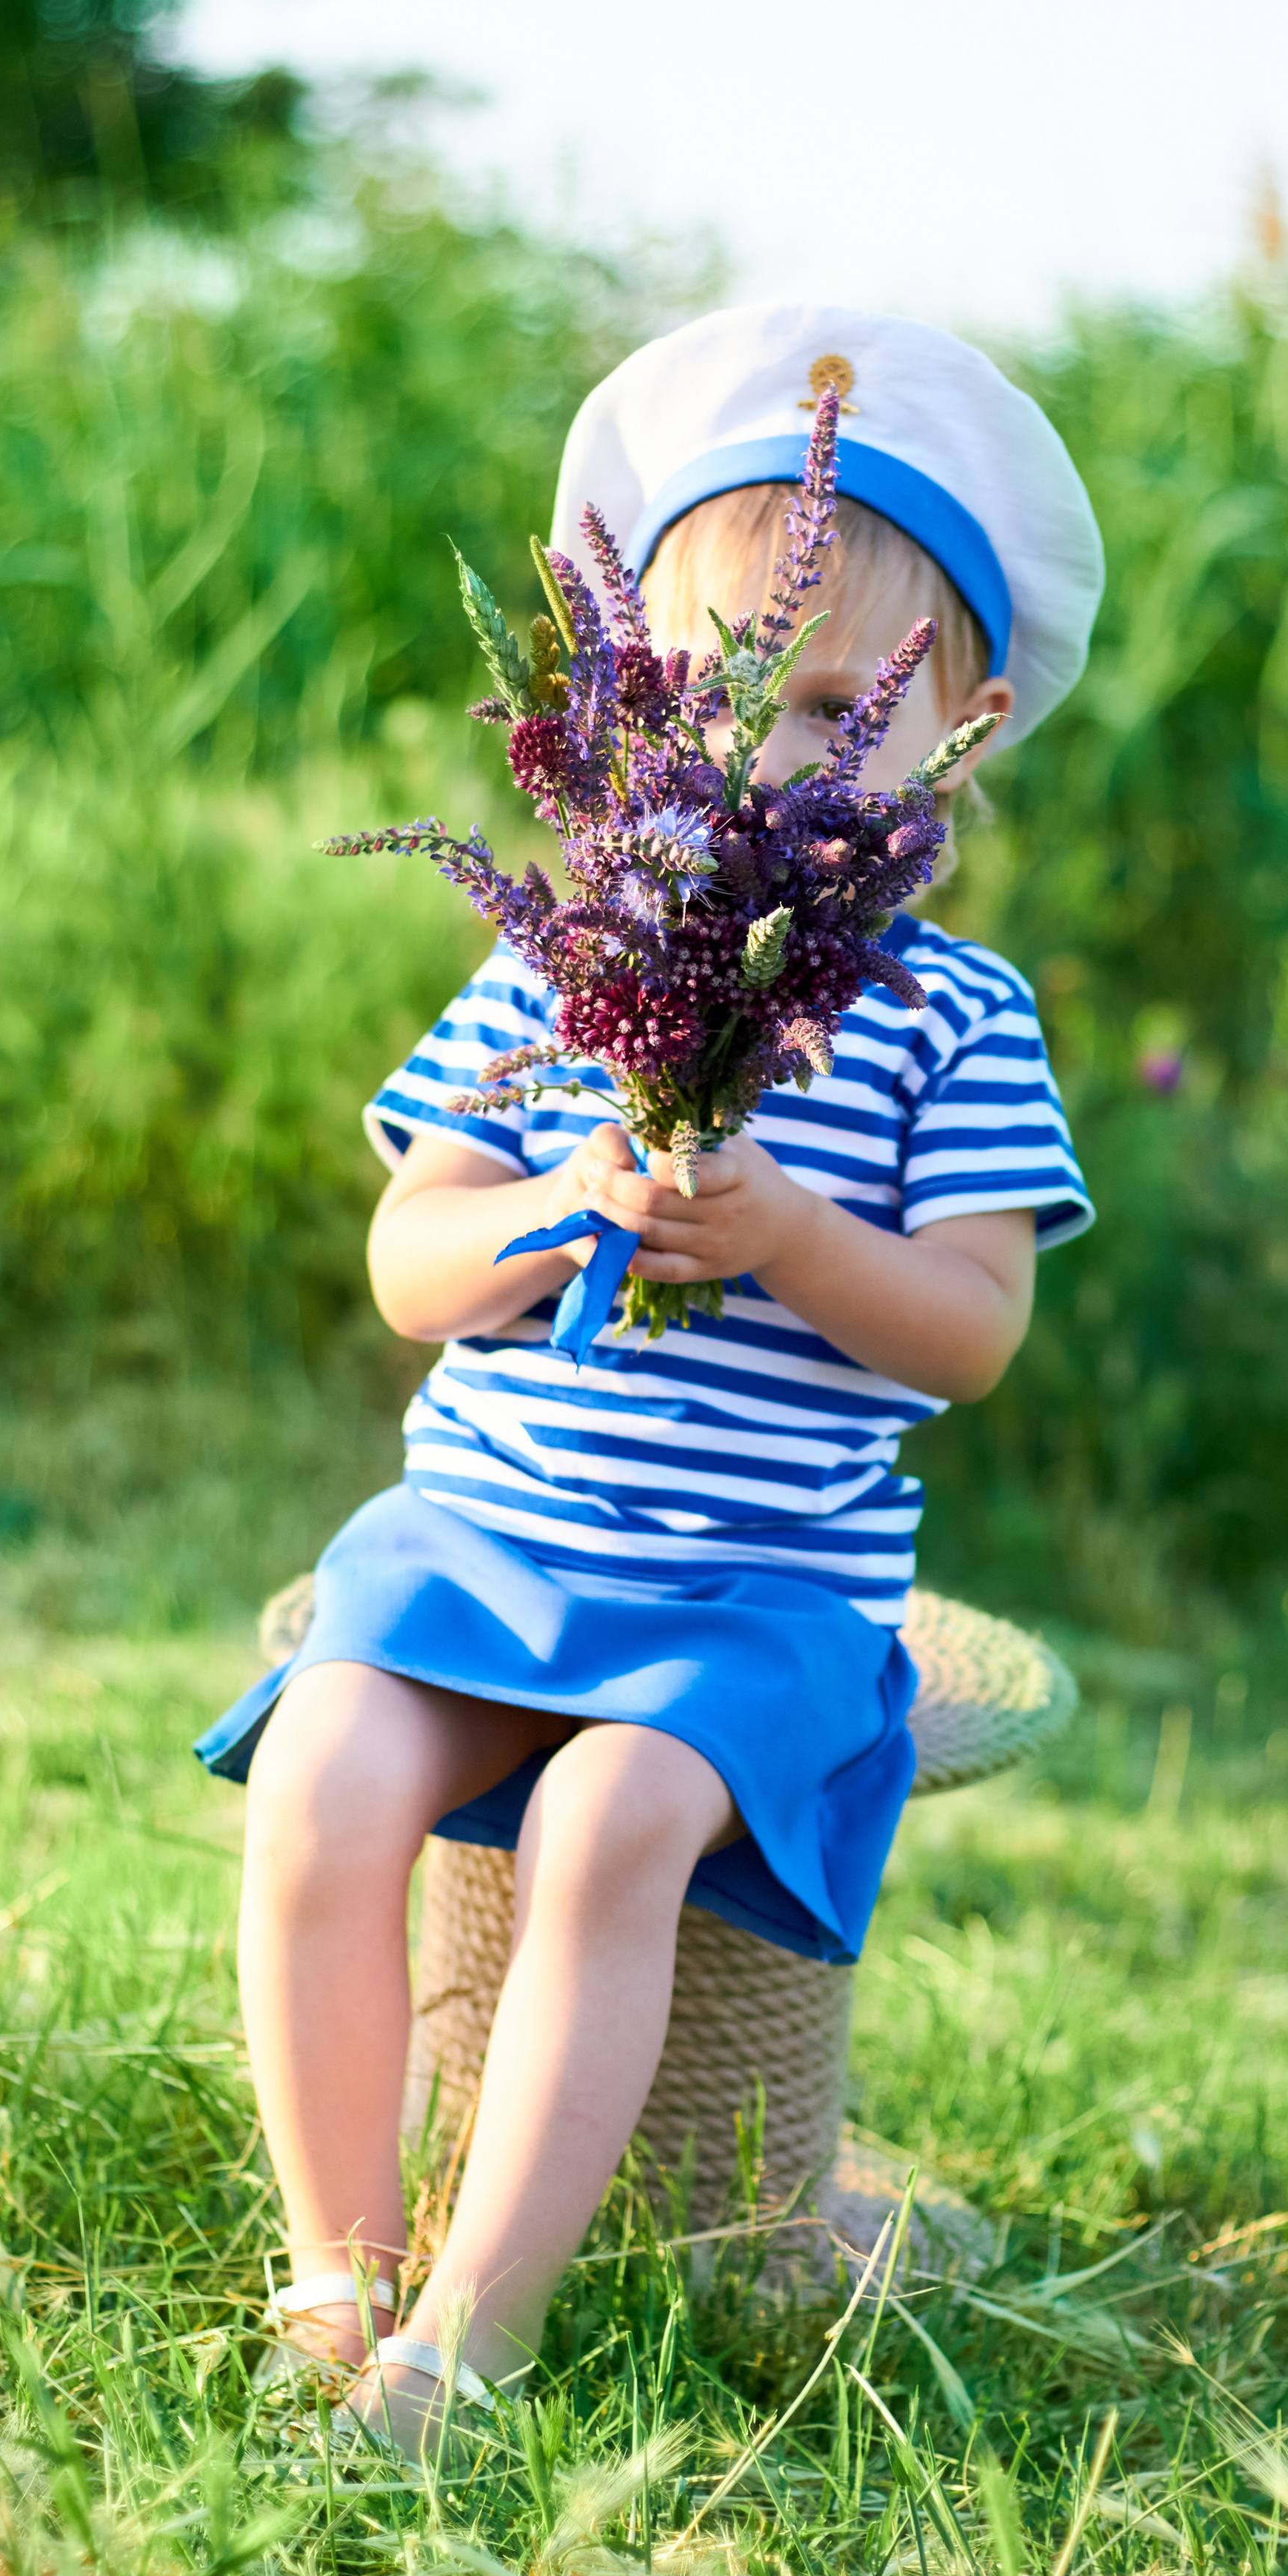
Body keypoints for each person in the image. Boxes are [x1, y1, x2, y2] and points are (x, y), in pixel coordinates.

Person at [195, 302, 1104, 2448]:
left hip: (755, 1602)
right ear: (625, 709)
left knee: (612, 1820)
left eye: (823, 712)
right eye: (709, 708)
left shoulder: (956, 1021)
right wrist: (553, 1214)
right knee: (326, 1770)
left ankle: (470, 2345)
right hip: (485, 1546)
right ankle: (337, 2268)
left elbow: (973, 1331)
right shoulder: (563, 964)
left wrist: (787, 1234)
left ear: (952, 727)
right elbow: (412, 1263)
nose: (762, 763)